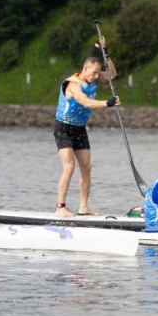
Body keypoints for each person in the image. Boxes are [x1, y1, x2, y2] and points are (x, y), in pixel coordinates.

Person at [53, 42, 119, 218]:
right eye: (94, 72)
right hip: (64, 128)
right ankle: (60, 207)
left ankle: (83, 207)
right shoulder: (72, 84)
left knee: (86, 168)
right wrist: (107, 103)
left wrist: (106, 54)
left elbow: (112, 74)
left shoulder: (94, 78)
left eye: (98, 73)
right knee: (69, 167)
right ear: (85, 68)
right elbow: (85, 102)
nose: (96, 76)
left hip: (80, 129)